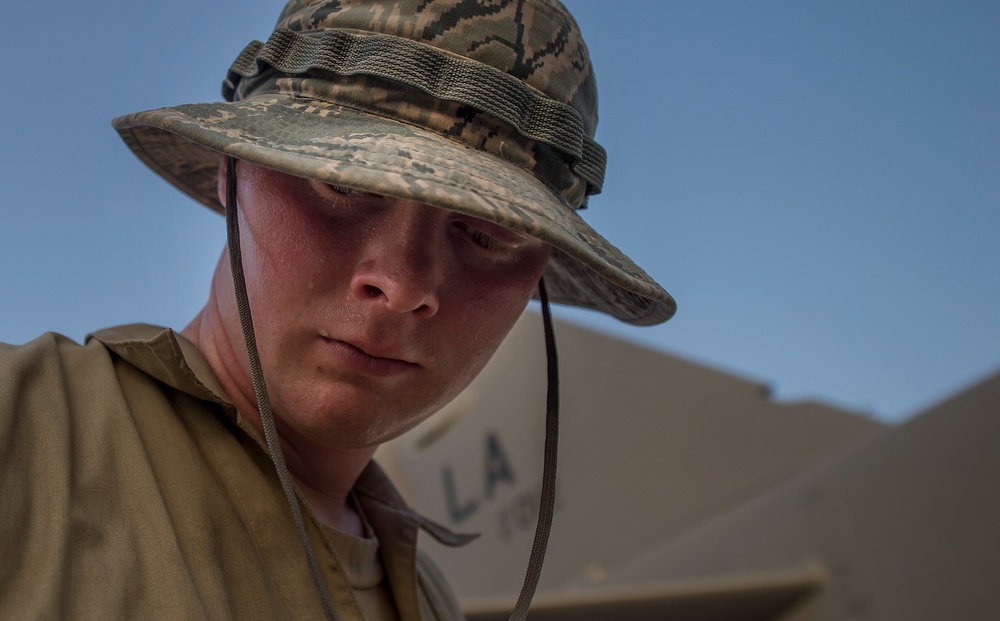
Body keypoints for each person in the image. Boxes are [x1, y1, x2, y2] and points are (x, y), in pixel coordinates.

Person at [0, 0, 675, 619]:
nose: (404, 281)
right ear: (232, 171)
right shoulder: (23, 435)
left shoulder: (432, 601)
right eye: (344, 182)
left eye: (486, 234)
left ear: (537, 276)